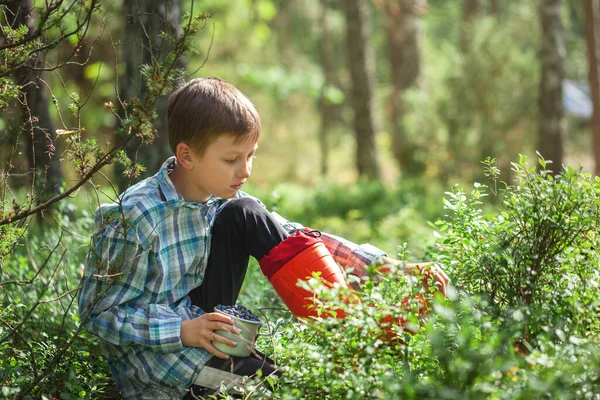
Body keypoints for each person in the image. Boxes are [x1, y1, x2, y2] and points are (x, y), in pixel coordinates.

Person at [77, 77, 450, 399]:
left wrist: (385, 267)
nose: (245, 170)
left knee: (249, 213)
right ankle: (253, 368)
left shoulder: (224, 197)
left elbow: (291, 237)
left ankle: (349, 334)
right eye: (232, 159)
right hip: (162, 369)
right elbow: (98, 313)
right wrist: (182, 329)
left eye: (251, 155)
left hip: (210, 327)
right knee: (286, 389)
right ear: (187, 156)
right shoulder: (134, 215)